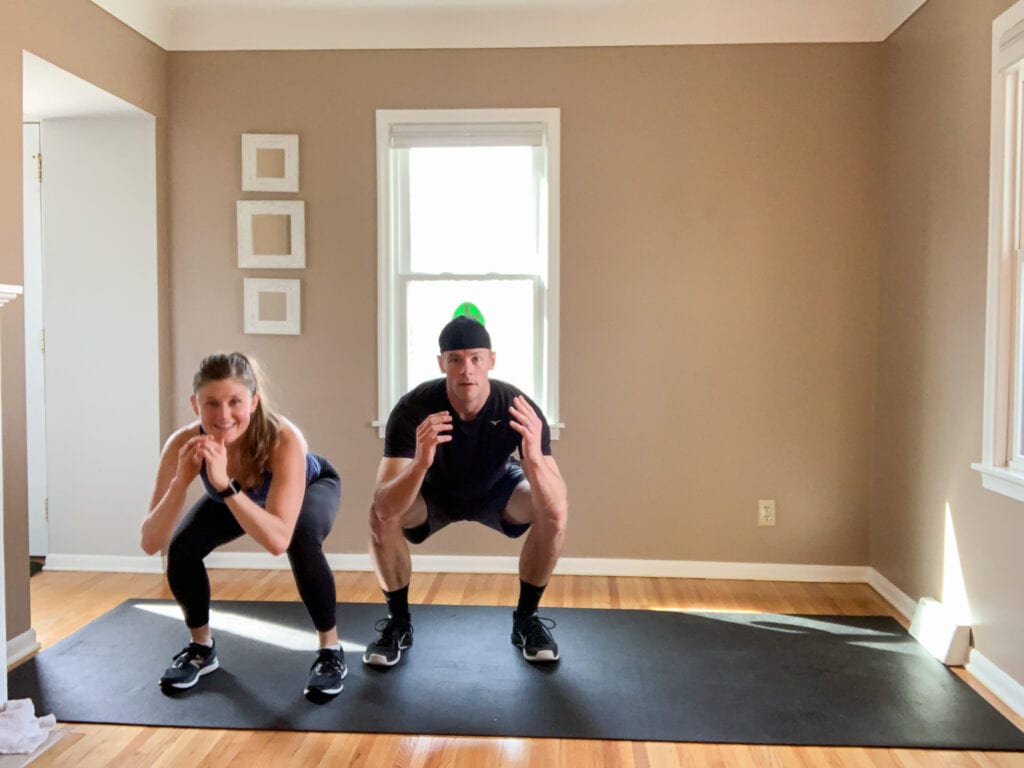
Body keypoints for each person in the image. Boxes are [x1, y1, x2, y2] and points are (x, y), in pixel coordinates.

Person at [365, 315, 568, 666]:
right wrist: (421, 461)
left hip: (498, 489)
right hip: (434, 494)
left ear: (491, 360)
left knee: (555, 512)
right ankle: (398, 624)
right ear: (442, 363)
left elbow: (557, 504)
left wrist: (532, 455)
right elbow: (383, 504)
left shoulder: (518, 407)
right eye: (455, 359)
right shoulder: (414, 408)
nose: (466, 369)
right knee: (379, 517)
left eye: (476, 358)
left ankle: (527, 620)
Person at [140, 352, 345, 698]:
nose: (223, 416)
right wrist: (181, 481)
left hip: (310, 487)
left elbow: (277, 540)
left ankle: (331, 650)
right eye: (211, 404)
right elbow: (150, 542)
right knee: (182, 548)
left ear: (254, 401)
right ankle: (201, 649)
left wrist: (223, 485)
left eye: (235, 402)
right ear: (195, 405)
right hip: (234, 492)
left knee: (301, 539)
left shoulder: (283, 439)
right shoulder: (182, 444)